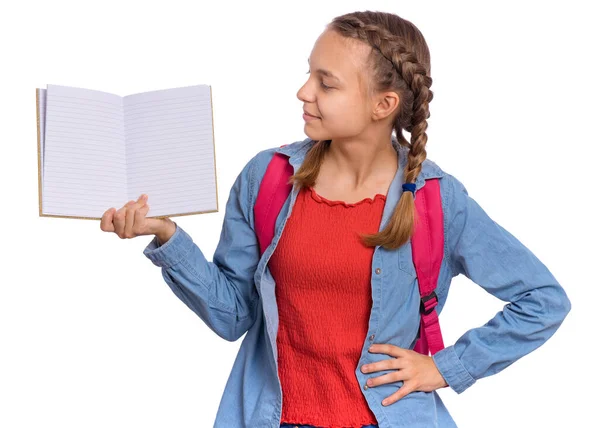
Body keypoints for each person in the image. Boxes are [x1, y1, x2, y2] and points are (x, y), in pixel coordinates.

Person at [100, 10, 571, 428]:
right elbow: (233, 316)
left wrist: (445, 368)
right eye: (309, 74)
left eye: (327, 83)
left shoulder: (436, 201)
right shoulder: (267, 178)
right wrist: (167, 238)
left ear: (382, 105)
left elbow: (543, 299)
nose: (304, 92)